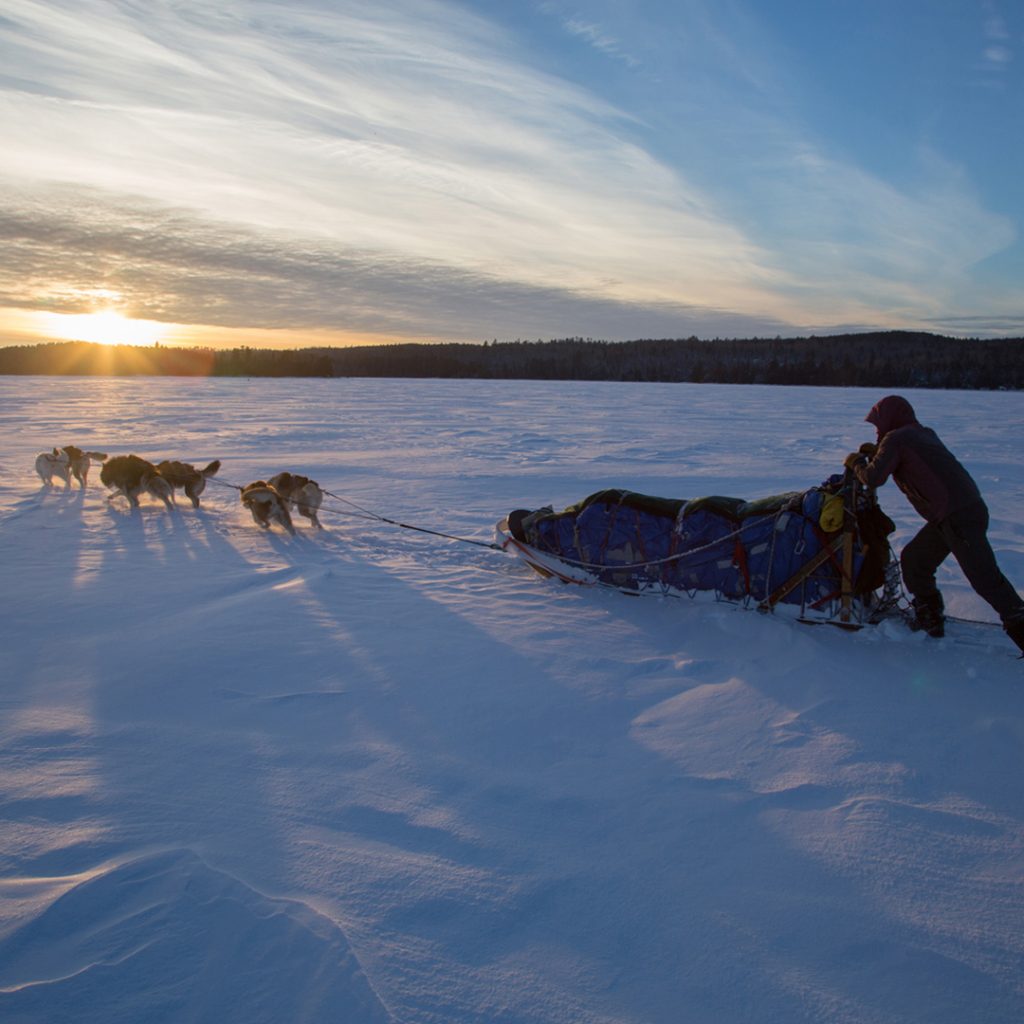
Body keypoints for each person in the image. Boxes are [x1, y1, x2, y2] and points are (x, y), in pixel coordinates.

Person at [844, 394, 1024, 655]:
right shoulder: (920, 432)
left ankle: (1019, 625)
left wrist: (857, 462)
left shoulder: (896, 438)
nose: (876, 430)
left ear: (889, 419)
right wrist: (878, 452)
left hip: (957, 516)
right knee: (915, 559)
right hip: (960, 511)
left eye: (877, 424)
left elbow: (873, 477)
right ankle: (930, 619)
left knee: (985, 578)